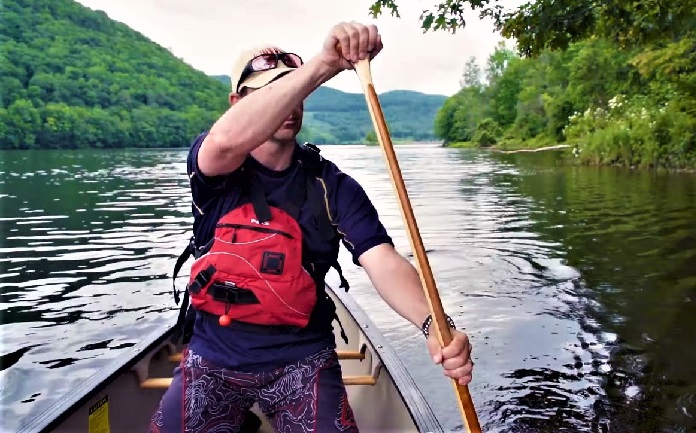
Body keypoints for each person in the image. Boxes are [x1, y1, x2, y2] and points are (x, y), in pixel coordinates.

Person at [150, 22, 474, 433]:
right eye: (271, 92)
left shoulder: (332, 185)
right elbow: (227, 141)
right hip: (213, 360)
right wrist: (326, 63)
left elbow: (383, 261)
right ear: (237, 102)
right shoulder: (215, 166)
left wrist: (434, 324)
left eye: (294, 89)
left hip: (302, 360)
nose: (288, 102)